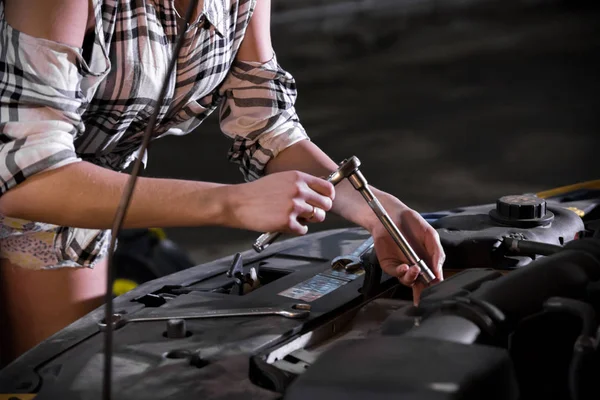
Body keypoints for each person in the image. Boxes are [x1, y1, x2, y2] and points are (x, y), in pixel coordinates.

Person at [0, 0, 445, 364]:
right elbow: (29, 172)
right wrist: (229, 203)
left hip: (86, 195)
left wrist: (377, 211)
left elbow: (266, 124)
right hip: (34, 199)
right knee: (59, 373)